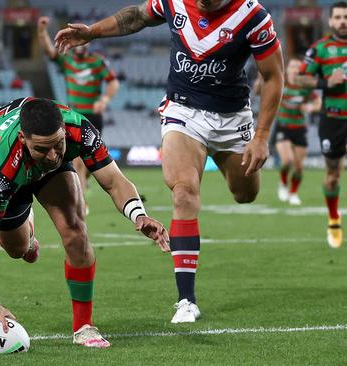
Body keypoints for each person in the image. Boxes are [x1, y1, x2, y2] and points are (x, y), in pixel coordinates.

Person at [55, 0, 284, 323]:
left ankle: (233, 162)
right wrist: (92, 32)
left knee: (245, 193)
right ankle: (186, 299)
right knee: (184, 192)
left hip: (233, 119)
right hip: (182, 111)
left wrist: (261, 136)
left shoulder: (253, 16)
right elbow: (136, 17)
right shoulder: (175, 2)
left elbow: (273, 75)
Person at [0, 97, 169, 348]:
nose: (52, 155)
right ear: (23, 139)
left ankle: (84, 326)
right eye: (42, 149)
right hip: (6, 162)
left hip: (45, 171)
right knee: (16, 249)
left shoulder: (80, 131)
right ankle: (27, 231)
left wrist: (139, 215)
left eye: (58, 144)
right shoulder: (2, 163)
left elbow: (114, 181)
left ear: (63, 130)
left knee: (74, 230)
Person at [38, 16, 120, 214]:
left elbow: (113, 82)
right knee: (77, 161)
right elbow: (50, 52)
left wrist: (105, 100)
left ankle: (82, 185)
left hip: (93, 117)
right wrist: (41, 33)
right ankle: (81, 204)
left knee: (88, 162)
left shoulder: (97, 62)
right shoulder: (67, 60)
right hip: (73, 117)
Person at [295, 1, 347, 248]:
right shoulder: (321, 49)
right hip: (333, 120)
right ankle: (334, 218)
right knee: (333, 176)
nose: (342, 21)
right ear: (330, 21)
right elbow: (300, 78)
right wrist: (327, 83)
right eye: (338, 17)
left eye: (346, 17)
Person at [255, 59, 321, 206]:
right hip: (283, 126)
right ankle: (283, 183)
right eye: (292, 67)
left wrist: (311, 107)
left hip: (299, 128)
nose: (295, 69)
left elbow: (318, 103)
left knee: (299, 167)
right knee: (287, 161)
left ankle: (293, 193)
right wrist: (260, 79)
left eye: (298, 67)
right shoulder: (282, 83)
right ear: (288, 69)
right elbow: (259, 92)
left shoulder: (305, 87)